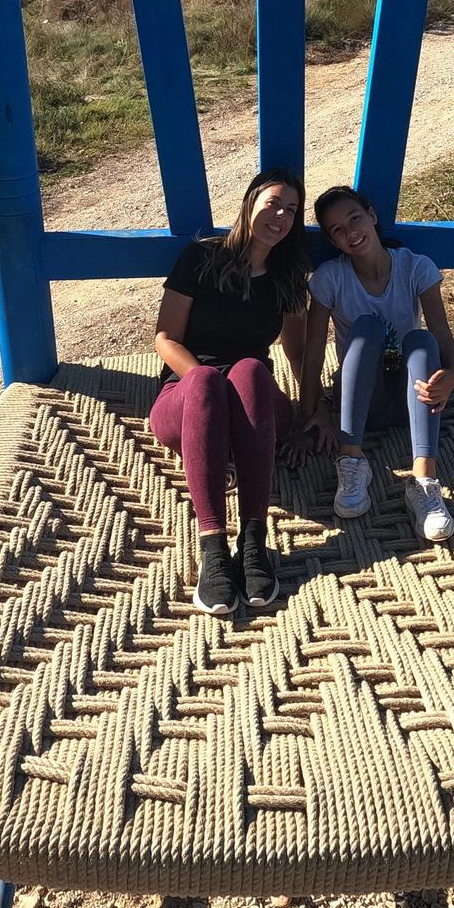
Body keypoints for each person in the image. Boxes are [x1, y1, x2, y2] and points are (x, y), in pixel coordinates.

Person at [152, 167, 311, 615]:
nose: (280, 216)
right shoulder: (200, 259)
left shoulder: (286, 278)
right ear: (249, 202)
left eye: (291, 210)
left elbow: (296, 356)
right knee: (205, 378)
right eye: (273, 203)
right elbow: (166, 338)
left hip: (254, 400)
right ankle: (214, 549)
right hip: (188, 398)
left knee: (252, 369)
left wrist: (309, 412)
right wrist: (208, 386)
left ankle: (255, 542)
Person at [297, 186, 454, 542]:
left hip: (411, 398)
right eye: (338, 230)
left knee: (420, 340)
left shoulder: (415, 267)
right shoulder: (330, 278)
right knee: (367, 327)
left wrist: (451, 375)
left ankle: (423, 482)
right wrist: (311, 412)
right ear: (333, 241)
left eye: (355, 219)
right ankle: (352, 460)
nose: (351, 232)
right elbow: (313, 354)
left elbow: (442, 336)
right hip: (359, 401)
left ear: (372, 216)